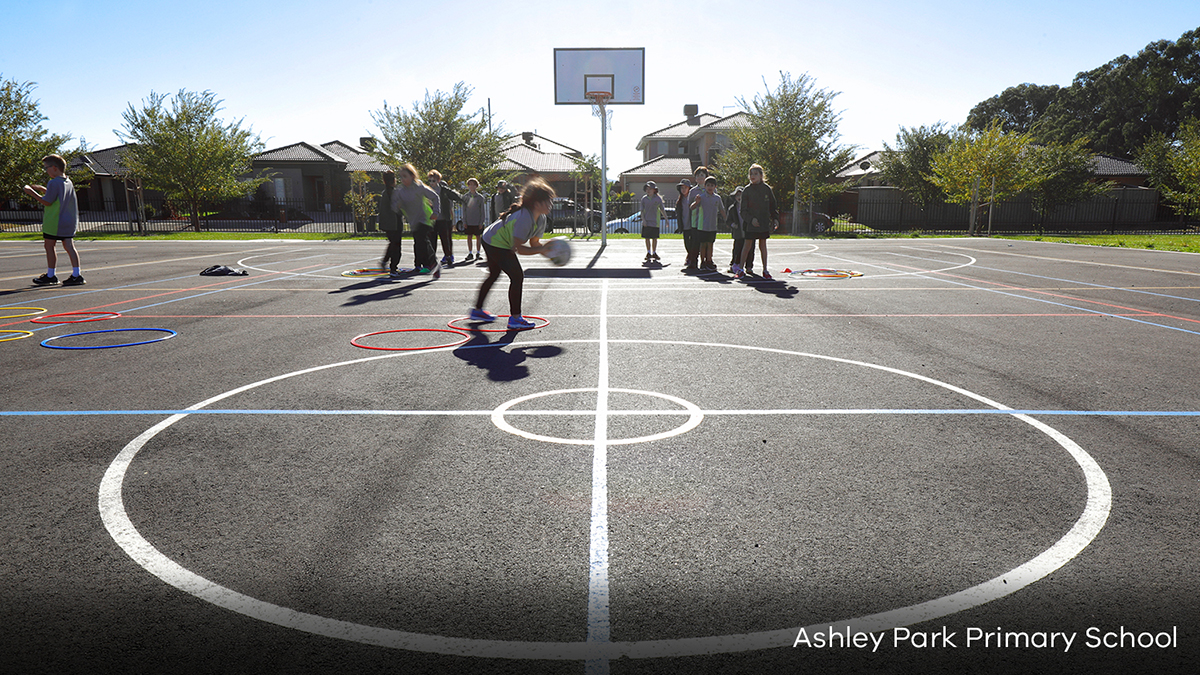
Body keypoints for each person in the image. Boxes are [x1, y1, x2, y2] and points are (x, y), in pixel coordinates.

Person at [470, 178, 555, 330]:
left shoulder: (541, 219)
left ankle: (477, 311)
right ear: (536, 203)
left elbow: (534, 244)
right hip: (494, 242)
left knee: (494, 274)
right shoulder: (524, 217)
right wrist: (543, 250)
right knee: (517, 276)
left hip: (495, 240)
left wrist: (550, 252)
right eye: (547, 201)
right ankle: (515, 318)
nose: (551, 204)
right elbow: (520, 249)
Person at [23, 154, 84, 286]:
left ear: (54, 168)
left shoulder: (53, 182)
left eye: (46, 168)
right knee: (69, 246)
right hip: (68, 221)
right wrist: (43, 189)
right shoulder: (67, 181)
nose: (46, 171)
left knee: (49, 246)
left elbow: (47, 201)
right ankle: (76, 274)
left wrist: (31, 192)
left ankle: (51, 275)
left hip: (55, 221)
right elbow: (57, 196)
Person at [391, 164, 442, 278]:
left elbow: (435, 197)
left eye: (405, 176)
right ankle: (426, 264)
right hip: (413, 221)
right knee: (419, 243)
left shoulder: (419, 187)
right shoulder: (400, 191)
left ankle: (433, 263)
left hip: (425, 218)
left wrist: (436, 212)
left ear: (412, 176)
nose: (402, 179)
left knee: (421, 239)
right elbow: (393, 205)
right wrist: (397, 206)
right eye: (401, 177)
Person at [735, 163, 779, 280]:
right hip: (750, 225)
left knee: (763, 245)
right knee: (747, 245)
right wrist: (751, 220)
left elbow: (772, 206)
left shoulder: (767, 189)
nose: (752, 176)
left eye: (755, 174)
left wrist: (775, 219)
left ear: (761, 175)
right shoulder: (747, 190)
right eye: (751, 174)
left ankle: (765, 269)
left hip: (763, 223)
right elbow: (743, 211)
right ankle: (740, 269)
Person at [689, 176, 726, 271]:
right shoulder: (701, 197)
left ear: (715, 187)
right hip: (702, 226)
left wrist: (727, 220)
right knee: (703, 244)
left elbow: (722, 210)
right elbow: (691, 207)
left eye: (712, 185)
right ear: (705, 186)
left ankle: (709, 260)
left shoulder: (717, 198)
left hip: (712, 226)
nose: (710, 187)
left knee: (710, 244)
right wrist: (696, 202)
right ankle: (703, 262)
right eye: (708, 185)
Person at [428, 170, 462, 265]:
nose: (431, 183)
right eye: (430, 181)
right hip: (432, 220)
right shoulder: (427, 190)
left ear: (438, 180)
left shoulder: (444, 191)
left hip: (443, 219)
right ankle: (432, 259)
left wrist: (451, 220)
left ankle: (448, 256)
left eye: (433, 181)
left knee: (445, 240)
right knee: (432, 240)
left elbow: (453, 202)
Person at [681, 166, 710, 272]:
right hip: (696, 221)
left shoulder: (711, 189)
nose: (700, 178)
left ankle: (707, 261)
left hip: (707, 222)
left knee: (707, 243)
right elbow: (690, 206)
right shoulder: (693, 191)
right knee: (695, 243)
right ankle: (693, 261)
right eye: (698, 176)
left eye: (702, 175)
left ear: (706, 177)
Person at [377, 170, 405, 275]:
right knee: (396, 246)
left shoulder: (385, 192)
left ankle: (385, 261)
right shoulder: (393, 192)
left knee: (393, 244)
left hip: (389, 224)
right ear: (393, 180)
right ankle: (393, 268)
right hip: (394, 223)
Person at [727, 185, 755, 273]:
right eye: (737, 195)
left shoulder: (750, 208)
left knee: (750, 250)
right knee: (737, 249)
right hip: (738, 233)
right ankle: (735, 264)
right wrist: (732, 224)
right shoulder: (732, 209)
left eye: (741, 195)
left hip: (749, 232)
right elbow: (728, 221)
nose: (739, 198)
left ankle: (749, 266)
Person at [461, 178, 488, 263]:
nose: (472, 186)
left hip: (477, 221)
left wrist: (481, 222)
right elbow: (464, 210)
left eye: (473, 185)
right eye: (470, 184)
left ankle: (478, 253)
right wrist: (464, 221)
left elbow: (482, 211)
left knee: (478, 237)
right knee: (469, 237)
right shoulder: (465, 197)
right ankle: (470, 253)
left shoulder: (480, 197)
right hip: (469, 221)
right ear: (468, 186)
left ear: (476, 186)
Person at [640, 180, 665, 263]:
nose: (648, 190)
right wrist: (643, 220)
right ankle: (648, 252)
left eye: (650, 189)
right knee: (647, 238)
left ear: (654, 190)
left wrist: (667, 220)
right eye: (647, 188)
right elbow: (642, 211)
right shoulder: (644, 199)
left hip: (655, 222)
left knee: (654, 238)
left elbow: (662, 210)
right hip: (647, 222)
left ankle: (654, 252)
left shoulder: (658, 199)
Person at [674, 178, 691, 264]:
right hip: (684, 224)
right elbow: (678, 213)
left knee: (693, 242)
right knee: (686, 242)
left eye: (685, 188)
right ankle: (689, 255)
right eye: (682, 188)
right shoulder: (679, 201)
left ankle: (691, 257)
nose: (683, 190)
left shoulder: (692, 198)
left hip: (692, 224)